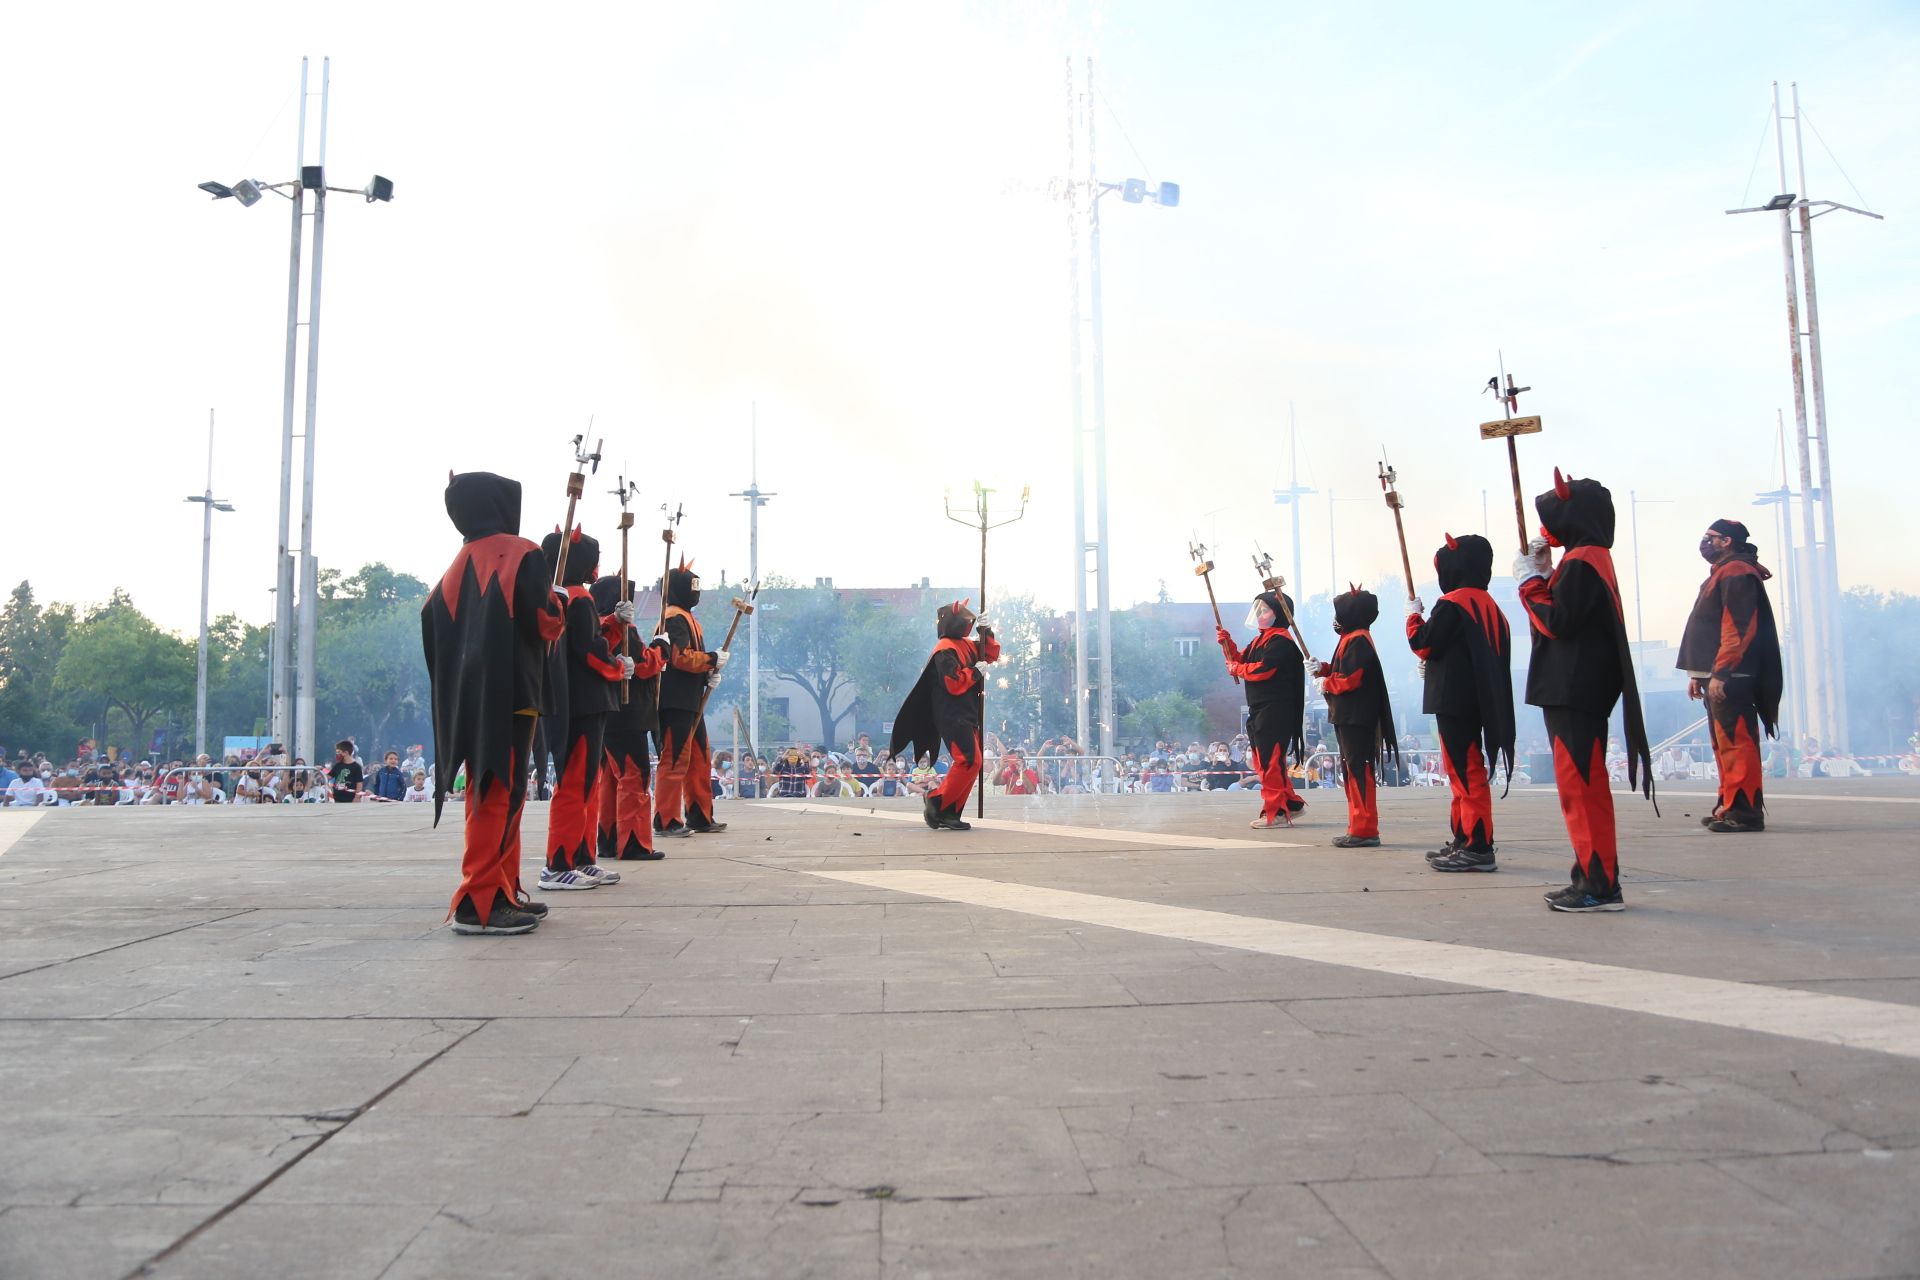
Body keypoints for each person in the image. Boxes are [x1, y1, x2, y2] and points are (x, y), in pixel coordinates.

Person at [422, 471, 566, 935]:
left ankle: (502, 887)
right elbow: (545, 621)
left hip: (467, 699)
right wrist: (558, 601)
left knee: (496, 793)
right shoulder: (520, 552)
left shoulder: (454, 566)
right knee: (500, 793)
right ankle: (480, 901)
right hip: (512, 693)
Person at [1516, 468, 1656, 913]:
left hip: (1573, 687)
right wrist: (1547, 572)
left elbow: (1558, 622)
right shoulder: (1586, 557)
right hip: (1579, 687)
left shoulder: (1582, 561)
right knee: (1582, 786)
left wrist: (1530, 583)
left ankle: (1598, 883)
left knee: (1582, 788)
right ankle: (1589, 875)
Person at [1406, 533, 1515, 872]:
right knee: (1462, 770)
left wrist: (1413, 617)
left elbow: (1422, 643)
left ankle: (1478, 846)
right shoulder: (1489, 605)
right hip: (1479, 699)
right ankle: (1465, 837)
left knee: (1465, 771)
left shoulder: (1454, 601)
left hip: (1455, 700)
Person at [537, 525, 632, 890]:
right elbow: (589, 652)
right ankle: (557, 863)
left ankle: (581, 856)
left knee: (586, 785)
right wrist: (617, 668)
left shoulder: (570, 599)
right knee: (574, 785)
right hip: (580, 702)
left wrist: (612, 624)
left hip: (585, 702)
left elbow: (592, 639)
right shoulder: (575, 598)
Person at [1678, 518, 1783, 833]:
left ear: (1726, 541)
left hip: (1733, 674)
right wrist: (1700, 673)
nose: (1704, 542)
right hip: (1719, 673)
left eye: (1709, 537)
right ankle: (1729, 804)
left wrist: (1722, 672)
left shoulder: (1737, 571)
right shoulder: (1725, 571)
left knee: (1737, 741)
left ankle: (1745, 811)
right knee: (1724, 743)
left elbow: (1738, 628)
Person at [890, 599, 1000, 831]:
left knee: (974, 762)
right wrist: (974, 673)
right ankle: (937, 799)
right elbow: (953, 682)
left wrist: (986, 631)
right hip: (952, 714)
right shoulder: (944, 649)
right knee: (968, 760)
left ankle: (950, 812)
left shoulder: (966, 644)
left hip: (967, 713)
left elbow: (990, 654)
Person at [590, 572, 670, 862]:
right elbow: (644, 664)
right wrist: (662, 649)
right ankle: (633, 842)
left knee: (611, 780)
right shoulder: (620, 628)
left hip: (607, 716)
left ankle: (609, 840)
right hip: (627, 715)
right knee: (634, 778)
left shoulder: (597, 627)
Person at [1216, 588, 1308, 829]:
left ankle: (1276, 810)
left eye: (1264, 610)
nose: (1259, 614)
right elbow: (1241, 659)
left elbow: (1262, 669)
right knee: (1264, 759)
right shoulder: (1261, 639)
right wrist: (1227, 643)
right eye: (1258, 609)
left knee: (1270, 760)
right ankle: (1291, 803)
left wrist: (1236, 669)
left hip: (1276, 708)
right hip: (1260, 708)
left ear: (1277, 613)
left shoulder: (1281, 642)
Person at [1315, 586, 1397, 849]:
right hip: (1349, 716)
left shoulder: (1358, 639)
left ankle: (1365, 828)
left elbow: (1351, 678)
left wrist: (1327, 683)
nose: (1335, 620)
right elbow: (1343, 669)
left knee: (1359, 771)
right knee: (1352, 771)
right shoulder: (1352, 638)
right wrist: (1323, 669)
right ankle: (1357, 826)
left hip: (1356, 717)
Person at [654, 560, 730, 838]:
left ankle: (699, 815)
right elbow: (680, 657)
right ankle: (666, 820)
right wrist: (710, 659)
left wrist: (706, 674)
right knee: (673, 760)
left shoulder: (686, 617)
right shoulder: (673, 616)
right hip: (673, 700)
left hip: (690, 699)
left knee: (699, 757)